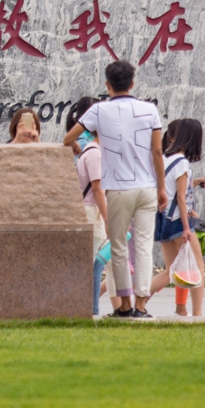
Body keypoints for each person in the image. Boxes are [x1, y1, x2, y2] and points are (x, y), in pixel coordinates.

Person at [63, 59, 164, 319]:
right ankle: (142, 306)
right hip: (147, 187)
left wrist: (81, 150)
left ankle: (125, 306)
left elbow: (68, 138)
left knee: (117, 246)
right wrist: (162, 188)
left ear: (108, 85)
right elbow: (156, 151)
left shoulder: (98, 111)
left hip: (118, 189)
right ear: (132, 84)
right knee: (143, 246)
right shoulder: (149, 110)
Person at [147, 119, 205, 317]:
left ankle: (138, 300)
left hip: (162, 221)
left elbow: (171, 189)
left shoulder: (166, 159)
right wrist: (186, 227)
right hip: (177, 222)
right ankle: (198, 314)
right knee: (198, 267)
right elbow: (182, 200)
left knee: (171, 271)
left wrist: (195, 181)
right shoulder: (182, 163)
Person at [67, 96, 111, 316]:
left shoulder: (89, 150)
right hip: (91, 214)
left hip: (90, 212)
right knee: (90, 264)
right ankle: (86, 310)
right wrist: (107, 219)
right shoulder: (94, 153)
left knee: (91, 264)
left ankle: (89, 308)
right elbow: (97, 189)